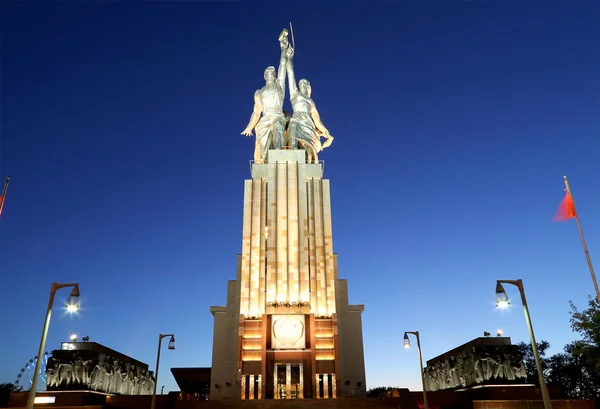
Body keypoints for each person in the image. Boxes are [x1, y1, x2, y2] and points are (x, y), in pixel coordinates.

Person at [241, 31, 290, 164]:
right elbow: (256, 112)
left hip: (278, 115)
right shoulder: (259, 92)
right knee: (264, 138)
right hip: (265, 119)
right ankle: (266, 157)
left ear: (275, 76)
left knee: (279, 128)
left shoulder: (279, 85)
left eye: (272, 72)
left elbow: (282, 67)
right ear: (264, 76)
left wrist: (283, 49)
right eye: (267, 72)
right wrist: (249, 127)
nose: (270, 73)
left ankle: (279, 154)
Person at [285, 45, 334, 163]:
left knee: (307, 147)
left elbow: (317, 120)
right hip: (296, 119)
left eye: (305, 83)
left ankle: (308, 162)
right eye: (301, 83)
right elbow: (290, 74)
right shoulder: (294, 95)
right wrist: (289, 58)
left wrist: (326, 131)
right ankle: (292, 162)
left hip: (308, 123)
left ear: (308, 88)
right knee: (292, 137)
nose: (303, 83)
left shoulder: (310, 101)